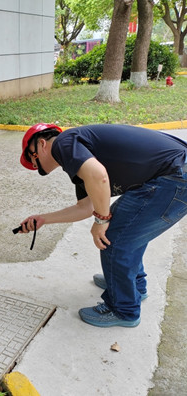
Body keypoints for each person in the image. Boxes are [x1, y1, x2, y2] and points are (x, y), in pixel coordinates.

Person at [18, 123, 187, 328]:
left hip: (174, 177)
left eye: (33, 159)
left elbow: (99, 176)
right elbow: (85, 207)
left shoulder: (63, 144)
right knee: (130, 233)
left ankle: (124, 310)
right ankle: (131, 285)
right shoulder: (79, 155)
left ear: (42, 144)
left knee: (113, 239)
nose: (36, 167)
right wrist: (43, 219)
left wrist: (101, 220)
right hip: (173, 174)